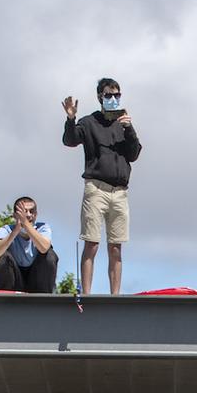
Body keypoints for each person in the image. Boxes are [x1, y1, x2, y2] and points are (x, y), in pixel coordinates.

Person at [61, 78, 140, 293]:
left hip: (120, 191)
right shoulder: (89, 122)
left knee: (116, 247)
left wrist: (129, 128)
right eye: (108, 96)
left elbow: (134, 154)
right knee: (92, 243)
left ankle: (116, 295)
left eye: (117, 96)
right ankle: (86, 293)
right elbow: (70, 140)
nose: (113, 99)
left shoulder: (123, 123)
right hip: (96, 188)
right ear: (99, 97)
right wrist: (70, 118)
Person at [0, 196, 60, 293]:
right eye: (24, 212)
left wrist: (26, 224)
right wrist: (15, 232)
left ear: (36, 214)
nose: (28, 215)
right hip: (15, 280)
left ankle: (44, 299)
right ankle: (6, 299)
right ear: (15, 215)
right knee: (2, 257)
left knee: (50, 255)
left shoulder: (43, 228)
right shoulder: (6, 229)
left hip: (37, 279)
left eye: (32, 211)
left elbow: (44, 248)